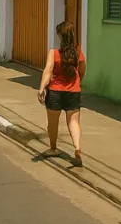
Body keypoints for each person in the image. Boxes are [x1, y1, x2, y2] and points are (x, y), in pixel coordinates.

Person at [37, 21, 86, 167]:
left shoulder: (54, 53)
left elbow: (48, 70)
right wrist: (77, 82)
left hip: (55, 93)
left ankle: (53, 148)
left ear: (60, 36)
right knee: (74, 122)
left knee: (53, 123)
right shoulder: (78, 53)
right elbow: (82, 70)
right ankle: (77, 148)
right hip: (73, 92)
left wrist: (41, 88)